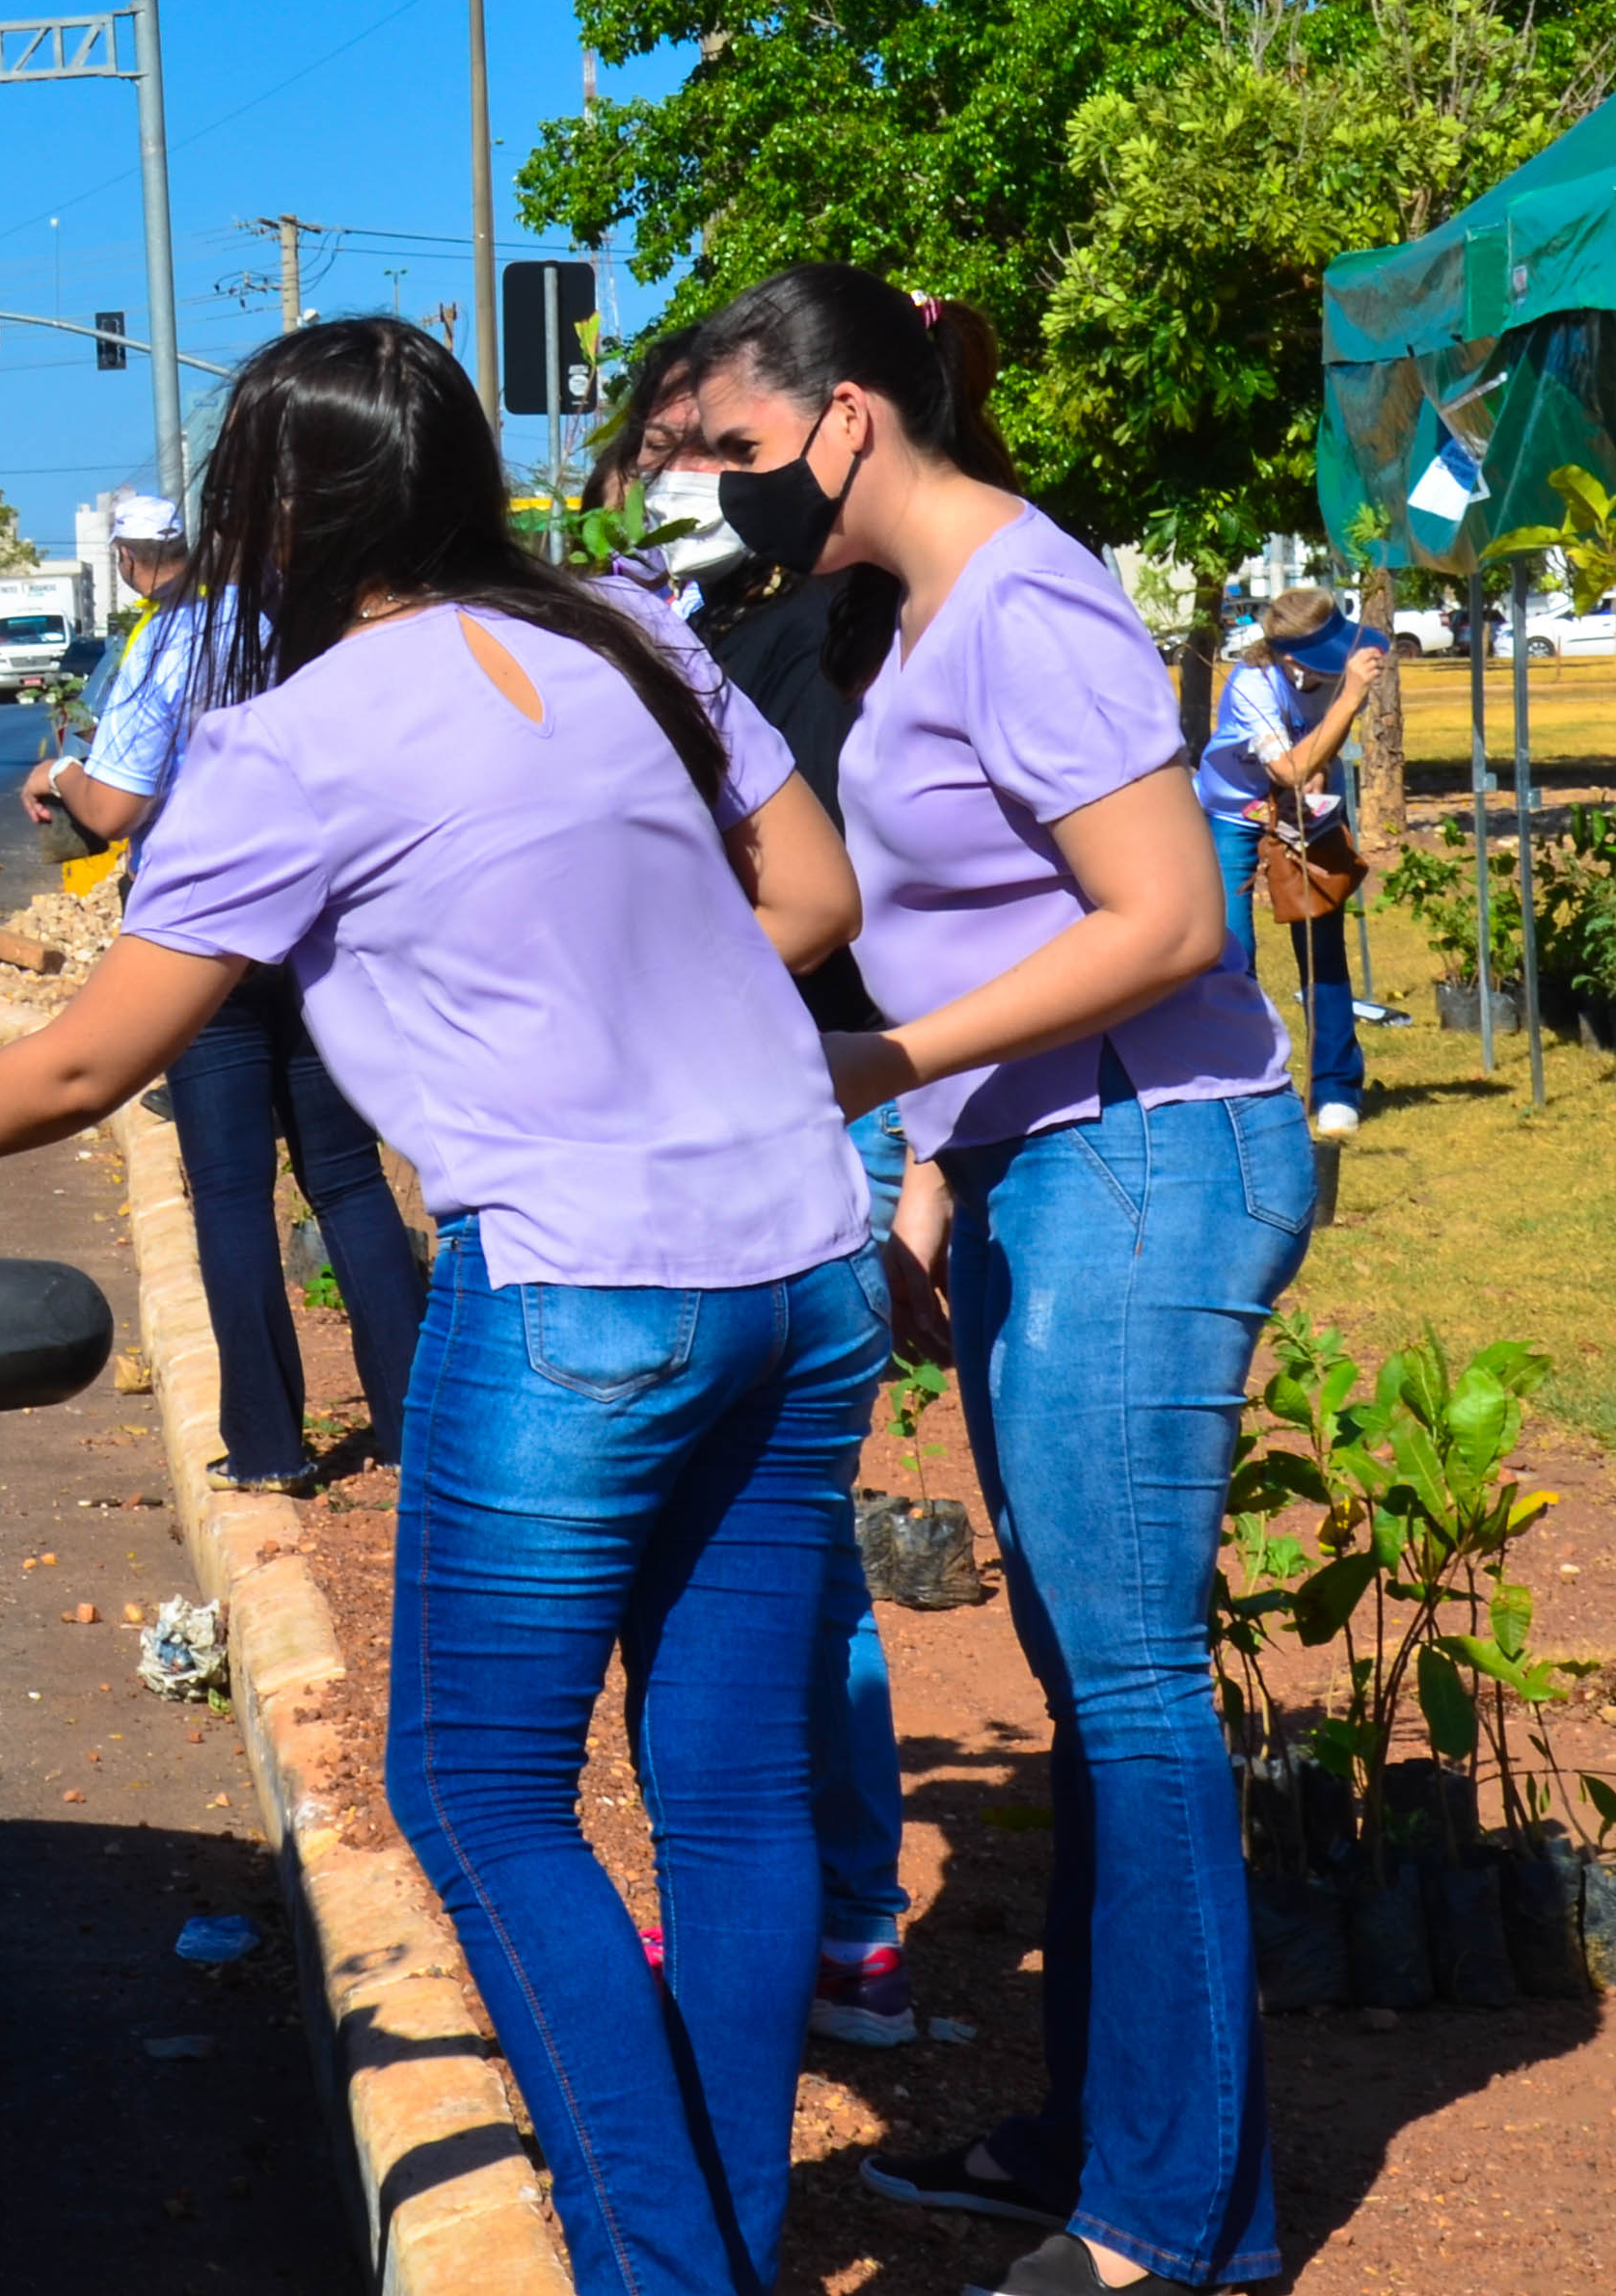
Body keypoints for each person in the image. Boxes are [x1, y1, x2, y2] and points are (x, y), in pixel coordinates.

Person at [0, 316, 880, 2296]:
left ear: (266, 512)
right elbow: (818, 898)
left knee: (473, 1790)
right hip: (801, 1255)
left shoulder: (289, 739)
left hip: (583, 1289)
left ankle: (666, 2271)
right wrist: (630, 1013)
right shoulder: (628, 635)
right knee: (734, 1785)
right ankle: (720, 2250)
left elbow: (93, 1059)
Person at [678, 263, 1297, 2296]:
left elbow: (1169, 921)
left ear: (847, 415)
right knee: (1086, 1680)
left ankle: (1174, 2227)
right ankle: (1101, 2138)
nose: (727, 488)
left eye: (739, 447)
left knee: (1132, 1690)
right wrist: (939, 1177)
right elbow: (1007, 921)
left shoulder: (1027, 602)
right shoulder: (928, 609)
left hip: (1150, 1155)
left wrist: (891, 1067)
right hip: (1050, 1157)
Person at [605, 337, 960, 2053]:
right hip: (805, 1114)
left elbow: (853, 916)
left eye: (709, 444)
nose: (686, 476)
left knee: (755, 1550)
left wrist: (922, 1167)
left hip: (799, 1111)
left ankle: (803, 1923)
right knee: (780, 1547)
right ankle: (829, 1922)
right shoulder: (784, 631)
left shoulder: (793, 646)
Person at [26, 494, 425, 1492]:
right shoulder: (337, 631)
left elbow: (117, 808)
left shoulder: (176, 642)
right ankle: (418, 1433)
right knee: (348, 1181)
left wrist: (60, 775)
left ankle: (265, 1447)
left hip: (201, 935)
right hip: (320, 923)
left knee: (232, 1193)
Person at [1195, 586, 1382, 1139]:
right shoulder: (1251, 685)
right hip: (1233, 813)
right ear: (1292, 659)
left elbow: (1315, 755)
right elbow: (1286, 768)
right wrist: (1349, 700)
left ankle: (1336, 1088)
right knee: (1231, 949)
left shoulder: (1338, 675)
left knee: (1321, 941)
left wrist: (1319, 771)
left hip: (1305, 809)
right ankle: (1245, 1082)